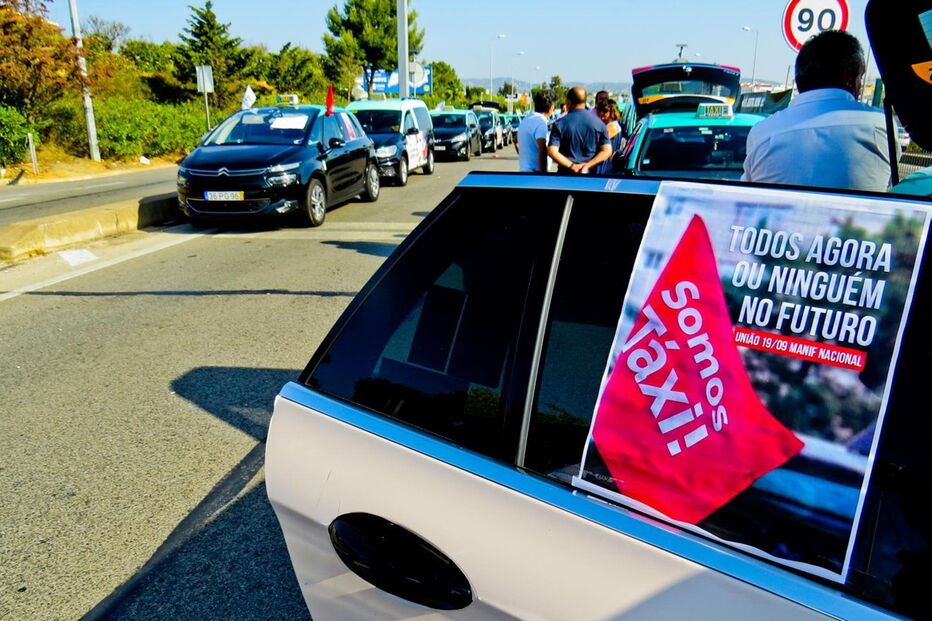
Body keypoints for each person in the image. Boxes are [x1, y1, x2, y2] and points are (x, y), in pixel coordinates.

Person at [741, 30, 895, 192]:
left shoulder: (762, 133)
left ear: (800, 77)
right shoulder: (881, 126)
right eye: (860, 78)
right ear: (849, 77)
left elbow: (747, 198)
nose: (860, 86)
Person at [548, 87, 611, 174]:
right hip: (591, 176)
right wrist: (587, 166)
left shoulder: (560, 124)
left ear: (568, 102)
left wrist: (572, 165)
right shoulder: (599, 123)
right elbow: (607, 150)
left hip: (565, 175)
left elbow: (552, 151)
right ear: (585, 101)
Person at [515, 89, 555, 172]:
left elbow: (515, 140)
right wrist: (543, 173)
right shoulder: (540, 121)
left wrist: (524, 156)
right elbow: (542, 148)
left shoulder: (527, 119)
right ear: (551, 107)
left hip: (524, 170)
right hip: (534, 174)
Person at [595, 99, 624, 175]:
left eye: (605, 111)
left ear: (612, 111)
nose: (601, 113)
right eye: (600, 111)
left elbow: (597, 141)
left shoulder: (612, 127)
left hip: (606, 164)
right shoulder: (609, 125)